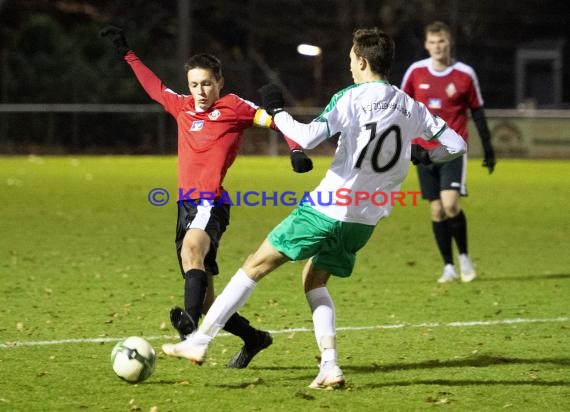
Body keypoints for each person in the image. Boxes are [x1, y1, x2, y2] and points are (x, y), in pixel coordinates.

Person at [161, 27, 467, 388]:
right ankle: (330, 365)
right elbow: (456, 143)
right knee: (314, 280)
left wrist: (277, 112)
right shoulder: (408, 104)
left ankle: (199, 341)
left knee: (254, 265)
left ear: (364, 61)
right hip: (366, 218)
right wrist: (426, 156)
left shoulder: (350, 98)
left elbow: (307, 137)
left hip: (327, 208)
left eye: (352, 59)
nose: (349, 65)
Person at [100, 26, 314, 368]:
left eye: (206, 84)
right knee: (208, 302)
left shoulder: (234, 107)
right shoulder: (182, 106)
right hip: (185, 205)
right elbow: (155, 87)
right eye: (194, 84)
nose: (200, 91)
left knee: (191, 250)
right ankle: (253, 338)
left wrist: (296, 151)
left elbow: (277, 121)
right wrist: (128, 53)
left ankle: (189, 336)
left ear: (220, 82)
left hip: (209, 203)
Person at [400, 21, 496, 283]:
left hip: (452, 150)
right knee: (436, 211)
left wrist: (488, 148)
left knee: (451, 204)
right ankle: (449, 267)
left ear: (449, 42)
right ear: (426, 44)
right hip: (423, 151)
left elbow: (477, 110)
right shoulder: (416, 72)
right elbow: (401, 106)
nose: (437, 47)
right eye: (432, 42)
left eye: (441, 41)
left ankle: (464, 256)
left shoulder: (465, 74)